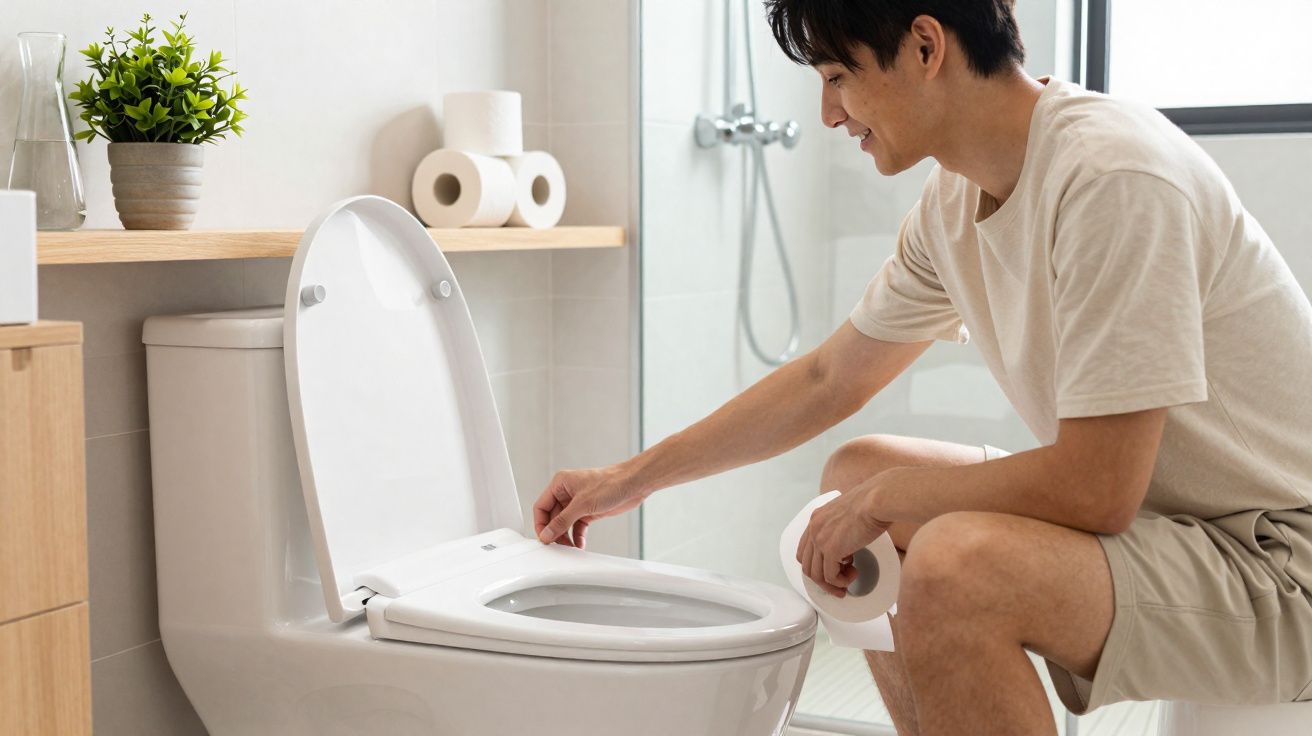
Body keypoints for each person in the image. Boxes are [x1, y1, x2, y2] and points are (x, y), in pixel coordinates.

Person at [533, 1, 1312, 733]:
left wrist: (892, 499)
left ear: (926, 46)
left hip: (1281, 560)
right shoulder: (954, 203)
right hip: (1178, 527)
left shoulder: (1112, 177)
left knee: (953, 566)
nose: (829, 114)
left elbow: (1098, 489)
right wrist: (625, 480)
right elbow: (825, 380)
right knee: (855, 470)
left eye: (839, 78)